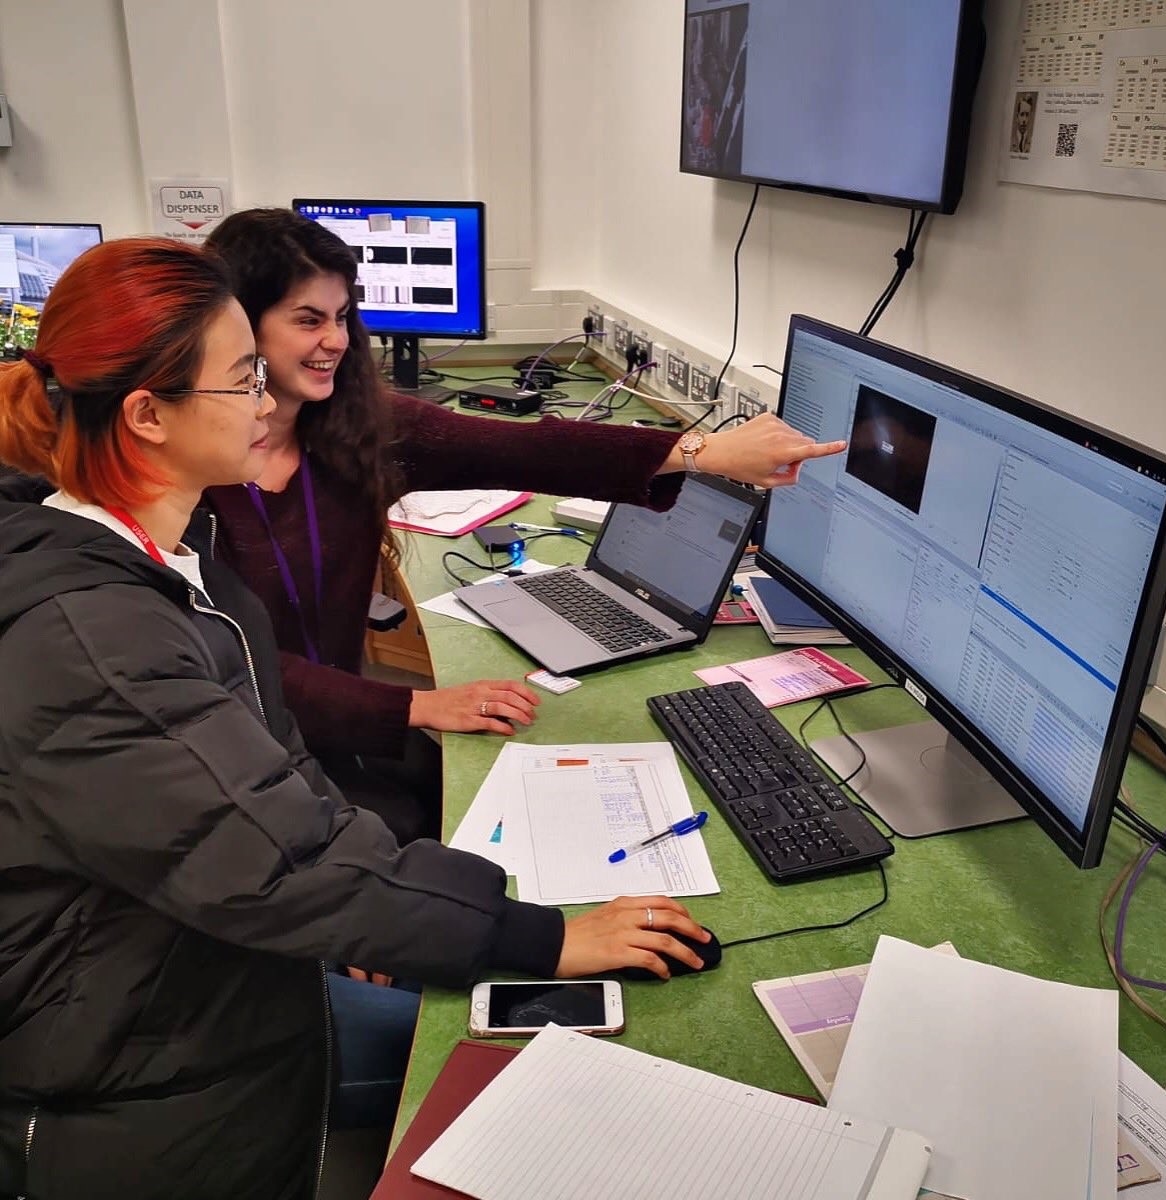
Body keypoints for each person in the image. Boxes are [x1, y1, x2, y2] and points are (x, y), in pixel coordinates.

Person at [0, 238, 714, 1200]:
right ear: (146, 415)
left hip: (221, 985)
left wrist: (380, 918)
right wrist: (542, 938)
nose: (268, 400)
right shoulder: (92, 635)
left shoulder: (178, 560)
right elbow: (278, 862)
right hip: (138, 1080)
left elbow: (275, 792)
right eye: (245, 375)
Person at [203, 208, 846, 841]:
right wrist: (416, 706)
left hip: (342, 733)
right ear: (237, 329)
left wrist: (703, 450)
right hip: (235, 754)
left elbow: (524, 449)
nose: (336, 341)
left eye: (343, 317)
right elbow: (231, 664)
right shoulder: (191, 470)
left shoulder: (359, 427)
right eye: (308, 320)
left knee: (475, 803)